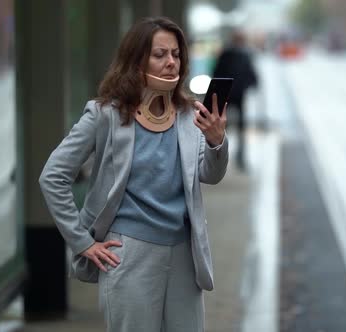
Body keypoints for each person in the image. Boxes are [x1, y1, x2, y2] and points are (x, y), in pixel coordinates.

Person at [39, 17, 228, 332]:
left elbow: (210, 174)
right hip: (129, 253)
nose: (171, 62)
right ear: (136, 59)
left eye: (176, 54)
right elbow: (52, 176)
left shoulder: (188, 115)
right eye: (160, 54)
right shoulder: (105, 115)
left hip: (184, 253)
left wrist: (216, 140)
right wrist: (82, 242)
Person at [212, 29, 258, 171]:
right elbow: (253, 77)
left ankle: (219, 157)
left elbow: (216, 73)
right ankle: (236, 158)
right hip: (235, 96)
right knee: (236, 128)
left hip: (227, 95)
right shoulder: (244, 55)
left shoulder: (227, 54)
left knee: (223, 127)